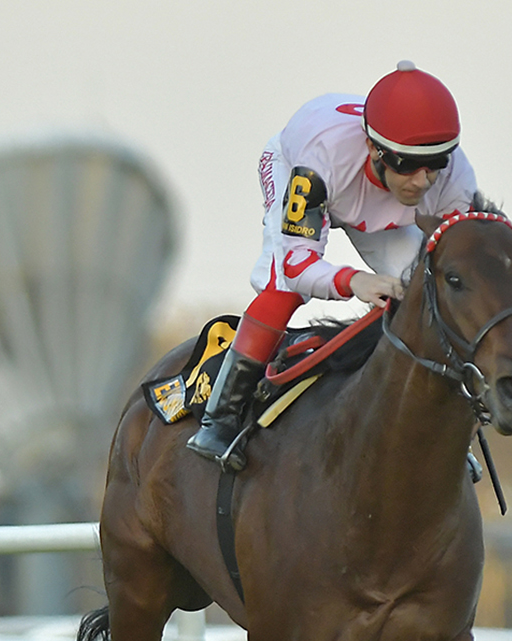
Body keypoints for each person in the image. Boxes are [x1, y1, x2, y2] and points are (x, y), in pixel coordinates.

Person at [186, 60, 480, 466]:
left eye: (436, 163)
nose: (422, 181)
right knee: (282, 288)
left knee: (429, 293)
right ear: (374, 149)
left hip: (371, 199)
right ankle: (220, 418)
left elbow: (463, 261)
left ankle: (442, 429)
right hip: (301, 170)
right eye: (406, 164)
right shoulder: (321, 160)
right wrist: (355, 281)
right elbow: (297, 265)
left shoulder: (454, 176)